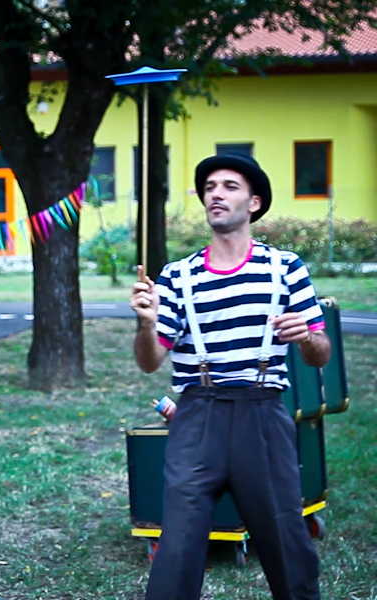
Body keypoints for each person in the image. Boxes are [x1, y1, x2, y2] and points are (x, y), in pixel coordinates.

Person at [130, 153, 331, 600]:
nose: (216, 194)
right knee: (178, 544)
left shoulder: (284, 268)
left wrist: (306, 336)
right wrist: (146, 323)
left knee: (285, 539)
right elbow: (149, 361)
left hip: (262, 415)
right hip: (197, 416)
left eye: (229, 186)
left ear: (254, 203)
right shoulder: (178, 276)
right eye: (210, 188)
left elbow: (320, 354)